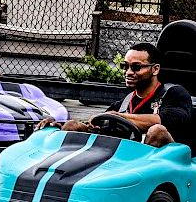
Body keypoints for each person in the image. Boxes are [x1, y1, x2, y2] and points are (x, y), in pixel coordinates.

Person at [36, 42, 193, 149]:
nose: (128, 72)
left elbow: (169, 120)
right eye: (125, 66)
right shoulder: (125, 102)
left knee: (157, 131)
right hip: (127, 161)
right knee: (72, 125)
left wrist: (120, 116)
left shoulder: (174, 93)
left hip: (171, 164)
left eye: (136, 67)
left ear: (155, 69)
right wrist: (60, 127)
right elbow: (96, 124)